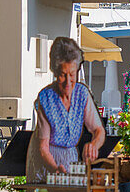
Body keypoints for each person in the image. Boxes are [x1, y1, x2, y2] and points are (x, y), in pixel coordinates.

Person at [25, 37, 106, 183]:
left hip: (70, 157)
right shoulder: (46, 98)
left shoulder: (82, 93)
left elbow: (99, 130)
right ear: (55, 73)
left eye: (72, 74)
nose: (68, 82)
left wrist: (94, 145)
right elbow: (43, 147)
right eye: (63, 75)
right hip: (46, 160)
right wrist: (55, 169)